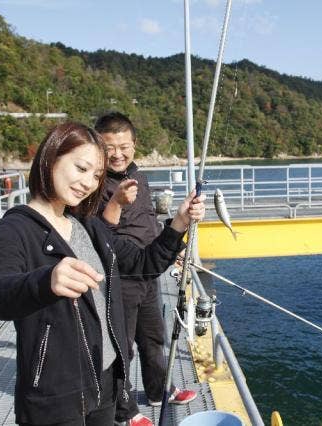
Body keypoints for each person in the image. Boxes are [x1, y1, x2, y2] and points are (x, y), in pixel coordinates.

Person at [0, 122, 206, 426]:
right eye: (81, 168)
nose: (88, 183)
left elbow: (143, 263)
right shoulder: (15, 229)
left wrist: (178, 223)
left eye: (97, 176)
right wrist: (46, 281)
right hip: (55, 395)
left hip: (107, 381)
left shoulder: (89, 225)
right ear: (51, 158)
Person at [94, 112, 196, 426]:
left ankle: (157, 390)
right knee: (121, 347)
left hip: (149, 273)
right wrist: (115, 202)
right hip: (118, 277)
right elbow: (94, 233)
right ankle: (124, 410)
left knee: (154, 338)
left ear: (135, 144)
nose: (117, 154)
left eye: (123, 146)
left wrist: (171, 252)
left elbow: (148, 222)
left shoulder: (139, 175)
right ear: (98, 148)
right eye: (108, 148)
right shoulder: (93, 183)